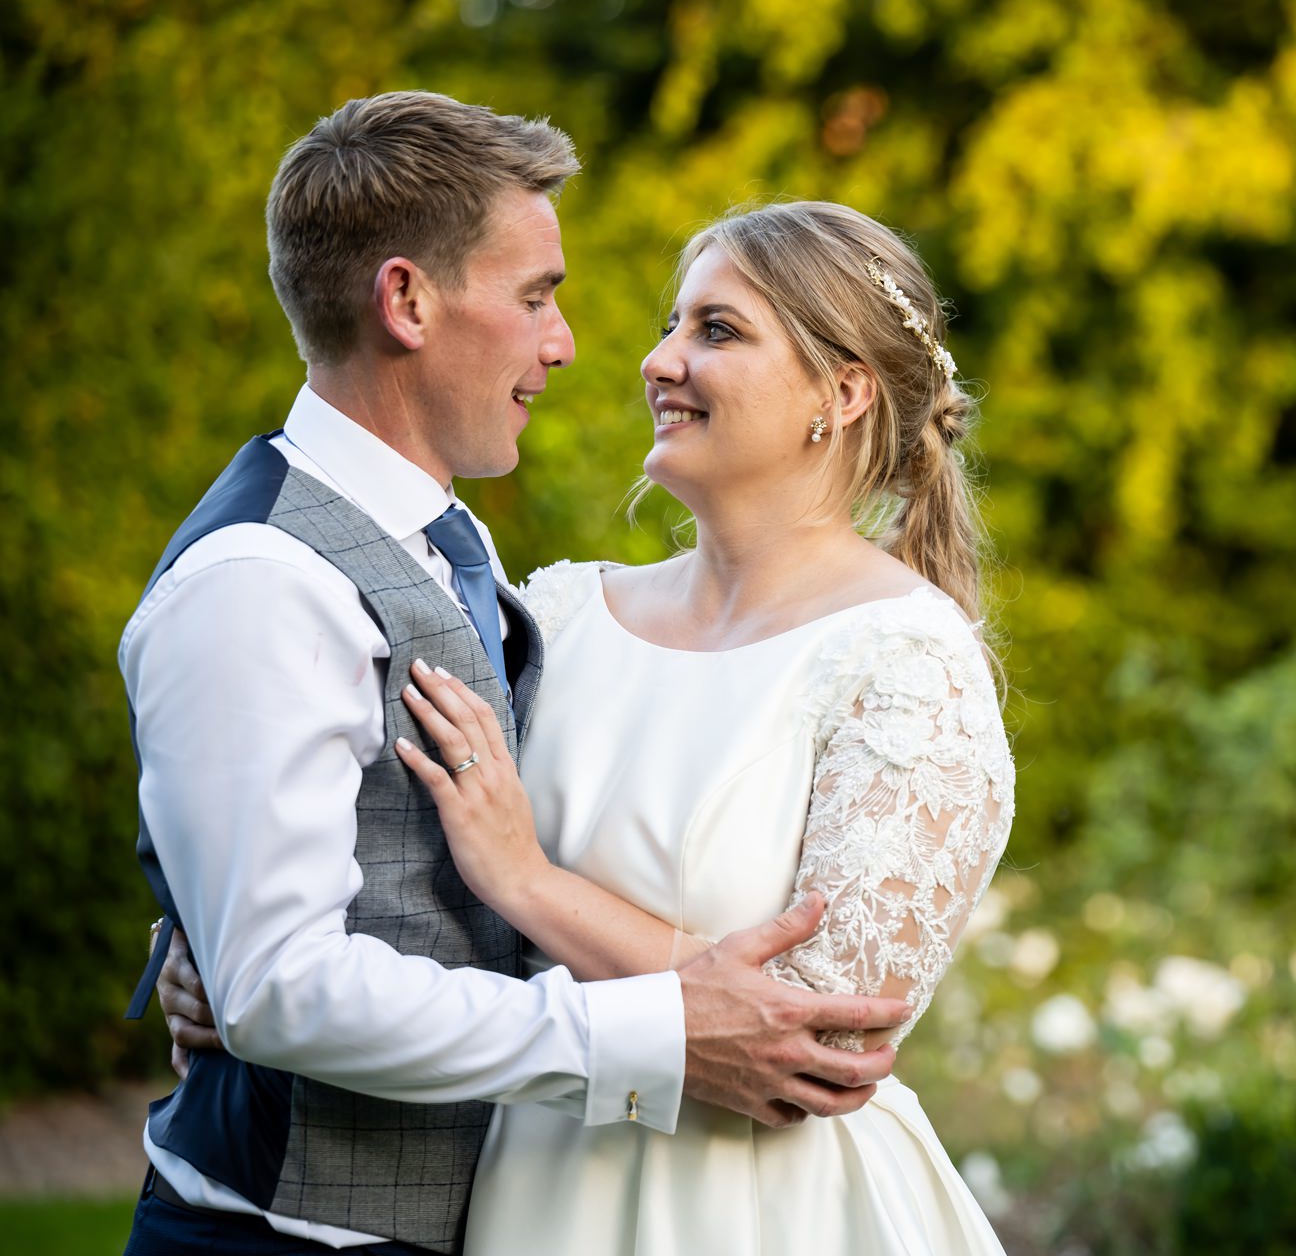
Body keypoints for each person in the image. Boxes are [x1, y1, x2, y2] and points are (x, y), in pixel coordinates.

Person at [122, 94, 907, 1256]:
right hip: (284, 1235)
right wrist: (649, 1031)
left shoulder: (451, 545)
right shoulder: (258, 577)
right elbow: (280, 984)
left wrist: (208, 939)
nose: (568, 342)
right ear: (407, 301)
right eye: (536, 294)